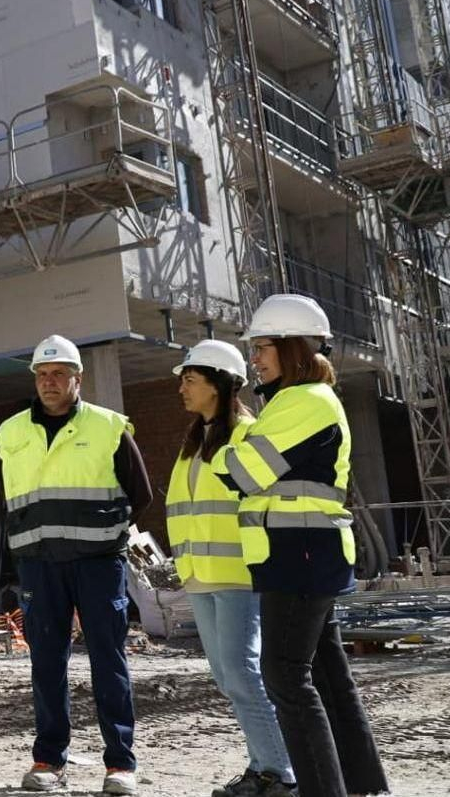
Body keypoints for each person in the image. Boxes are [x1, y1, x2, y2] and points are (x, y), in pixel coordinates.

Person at [212, 295, 390, 797]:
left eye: (262, 347)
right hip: (302, 552)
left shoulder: (304, 401)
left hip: (300, 554)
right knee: (328, 676)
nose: (255, 358)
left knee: (285, 677)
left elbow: (241, 471)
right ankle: (364, 786)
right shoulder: (297, 402)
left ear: (292, 348)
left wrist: (232, 454)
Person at [0, 334, 151, 795]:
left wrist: (108, 537)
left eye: (59, 374)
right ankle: (48, 760)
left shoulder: (107, 427)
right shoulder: (10, 432)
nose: (49, 382)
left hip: (98, 564)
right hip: (40, 565)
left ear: (77, 379)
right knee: (46, 662)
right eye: (42, 375)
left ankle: (120, 765)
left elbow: (140, 495)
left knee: (109, 659)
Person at [165, 340, 295, 797]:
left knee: (242, 672)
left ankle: (281, 772)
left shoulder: (247, 434)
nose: (182, 387)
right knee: (227, 677)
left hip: (239, 573)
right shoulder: (193, 441)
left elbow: (267, 499)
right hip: (201, 575)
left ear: (219, 385)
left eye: (191, 380)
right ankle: (263, 767)